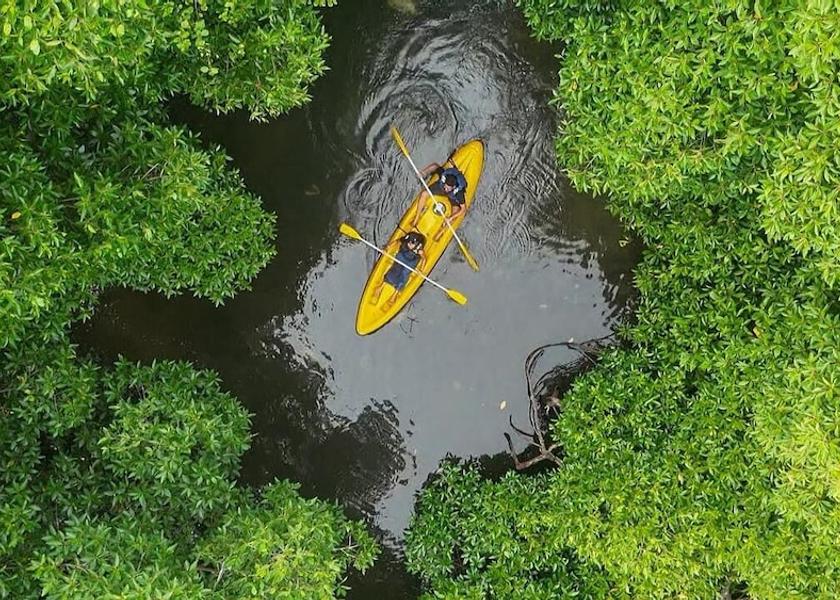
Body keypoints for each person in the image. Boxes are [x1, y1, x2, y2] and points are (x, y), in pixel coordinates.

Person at [411, 162, 468, 241]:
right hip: (439, 188)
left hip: (452, 197)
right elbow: (435, 166)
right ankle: (416, 218)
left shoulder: (459, 193)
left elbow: (463, 209)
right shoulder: (444, 177)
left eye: (448, 188)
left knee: (456, 211)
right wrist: (424, 172)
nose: (446, 189)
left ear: (454, 187)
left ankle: (441, 232)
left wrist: (451, 218)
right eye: (446, 186)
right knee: (424, 194)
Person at [370, 231, 426, 309]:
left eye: (412, 243)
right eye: (409, 242)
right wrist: (388, 247)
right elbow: (397, 241)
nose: (409, 244)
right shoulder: (405, 241)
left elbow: (424, 259)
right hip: (402, 256)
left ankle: (395, 295)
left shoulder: (419, 250)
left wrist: (421, 270)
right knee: (395, 268)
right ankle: (380, 287)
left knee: (405, 274)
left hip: (411, 262)